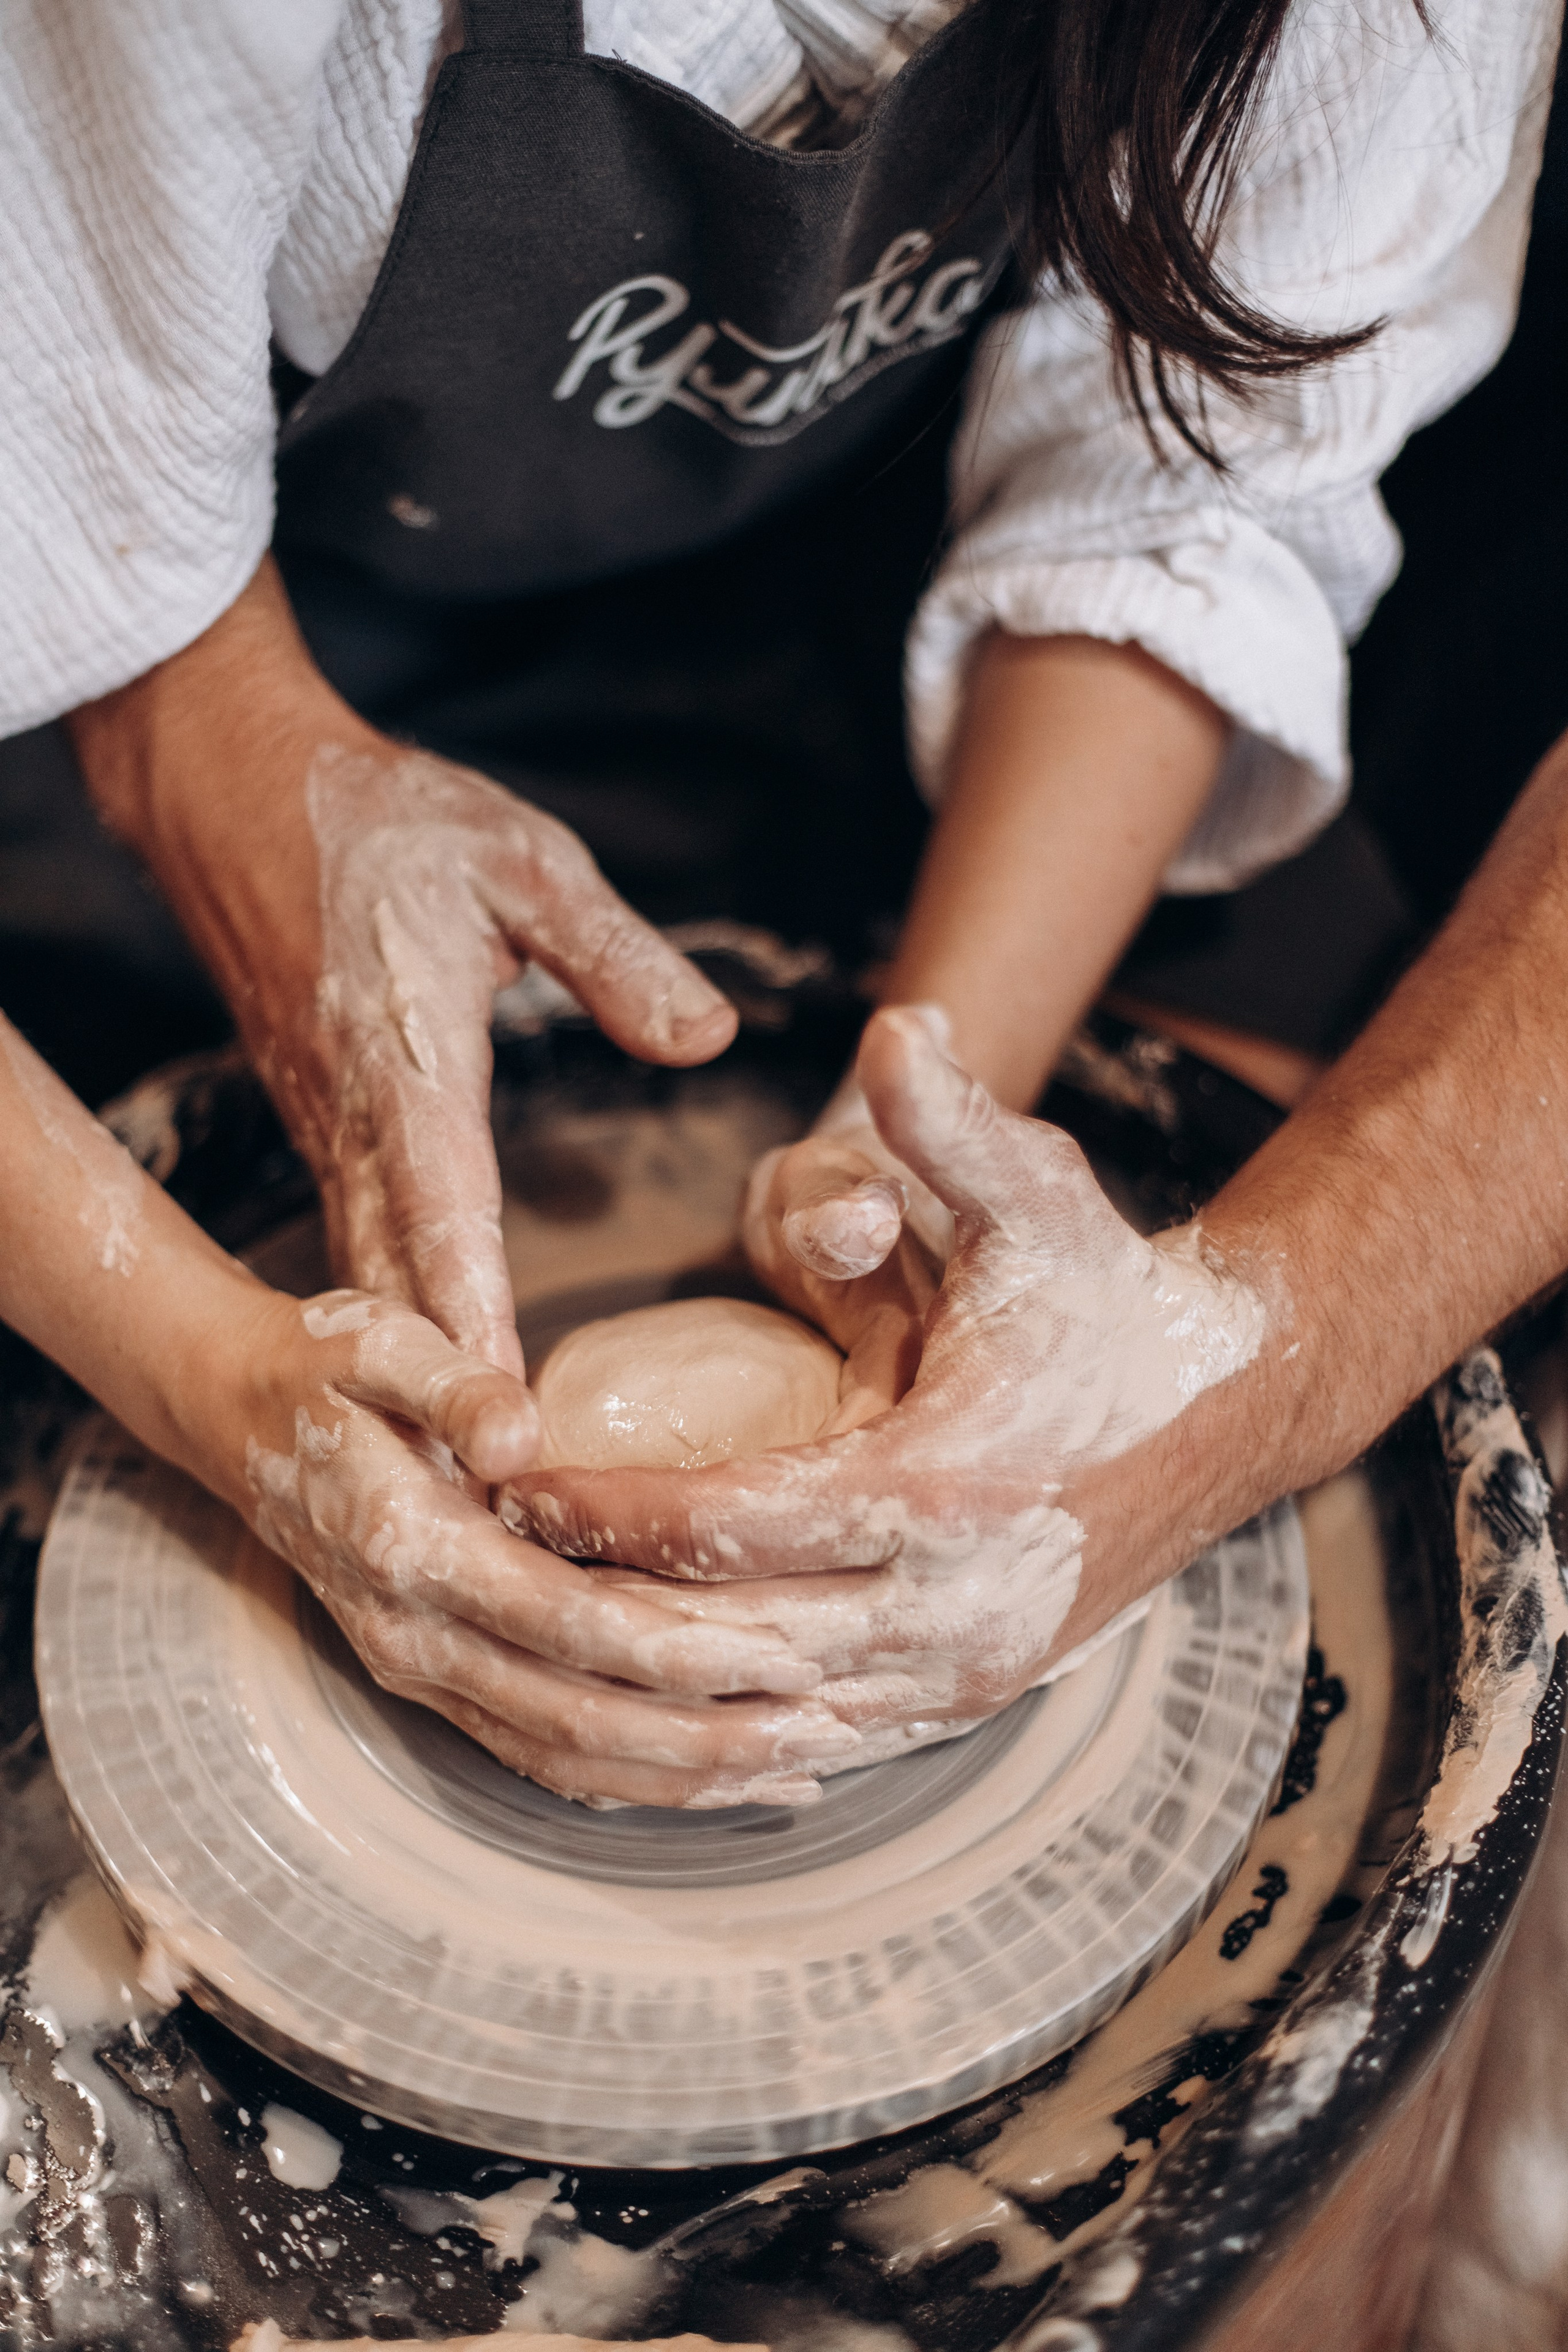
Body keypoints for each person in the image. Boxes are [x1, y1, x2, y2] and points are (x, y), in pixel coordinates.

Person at [1, 0, 1561, 1802]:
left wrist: (927, 1123)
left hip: (877, 608)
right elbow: (73, 444)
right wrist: (218, 1387)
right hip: (153, 594)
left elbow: (1180, 493)